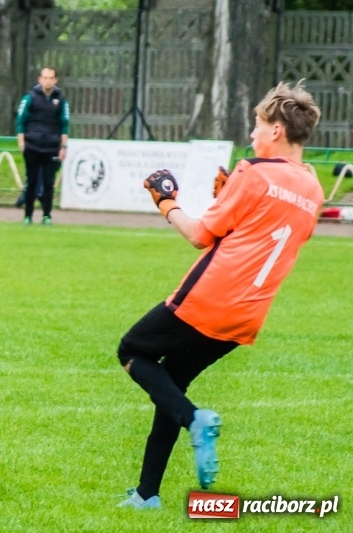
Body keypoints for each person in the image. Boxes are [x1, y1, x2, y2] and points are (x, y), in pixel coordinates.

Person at [116, 81, 323, 509]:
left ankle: (196, 419)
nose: (252, 135)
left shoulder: (253, 171)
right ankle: (146, 494)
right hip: (246, 317)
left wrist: (166, 201)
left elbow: (199, 236)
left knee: (132, 351)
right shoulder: (314, 190)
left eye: (257, 125)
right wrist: (227, 196)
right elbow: (263, 232)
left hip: (208, 298)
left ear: (277, 131)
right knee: (171, 383)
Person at [16, 67, 69, 225]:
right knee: (31, 181)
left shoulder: (60, 99)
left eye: (51, 78)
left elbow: (64, 124)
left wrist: (63, 147)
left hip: (52, 147)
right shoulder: (30, 97)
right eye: (45, 78)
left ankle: (47, 215)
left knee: (48, 183)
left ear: (55, 80)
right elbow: (20, 120)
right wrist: (21, 142)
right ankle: (28, 216)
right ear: (40, 79)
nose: (48, 81)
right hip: (32, 145)